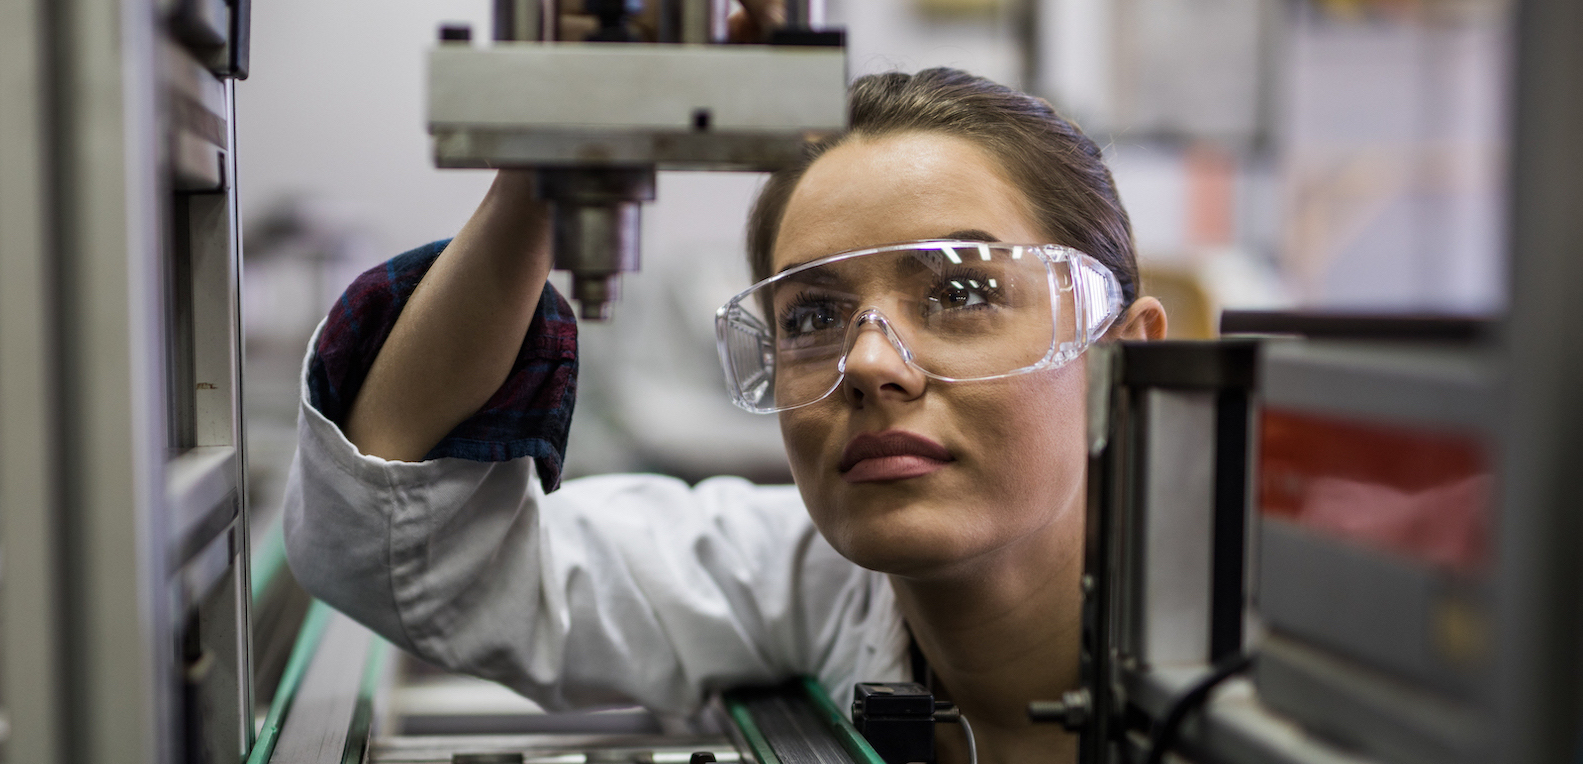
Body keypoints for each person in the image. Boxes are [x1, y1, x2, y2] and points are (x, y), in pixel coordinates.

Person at [283, 67, 1167, 764]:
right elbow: (398, 550)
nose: (867, 363)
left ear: (1127, 361)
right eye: (814, 316)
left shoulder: (1271, 652)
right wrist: (546, 179)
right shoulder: (803, 581)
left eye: (963, 293)